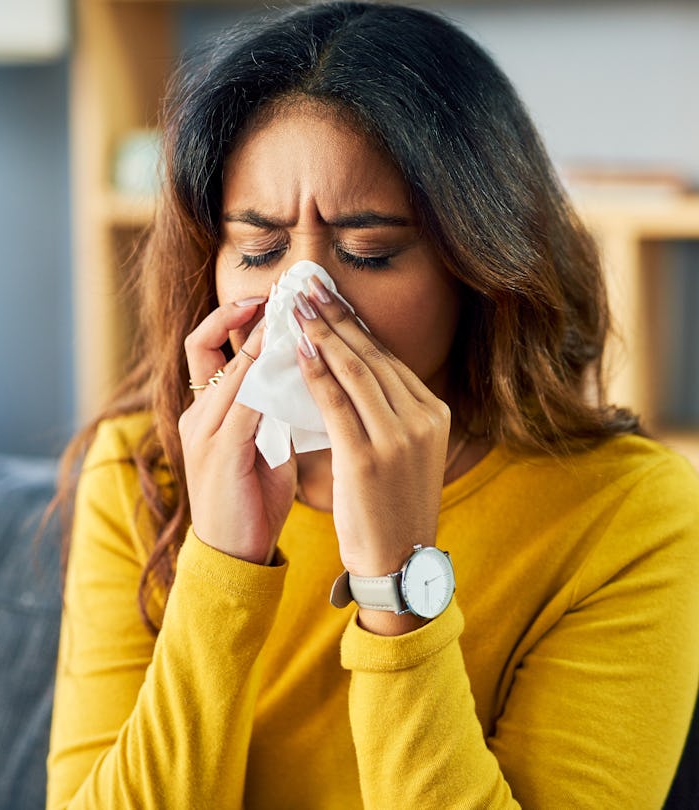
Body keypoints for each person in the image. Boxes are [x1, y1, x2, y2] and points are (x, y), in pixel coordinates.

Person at [46, 2, 699, 808]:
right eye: (259, 249)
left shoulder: (629, 512)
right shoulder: (141, 469)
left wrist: (397, 582)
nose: (303, 298)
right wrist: (220, 563)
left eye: (370, 252)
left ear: (477, 267)